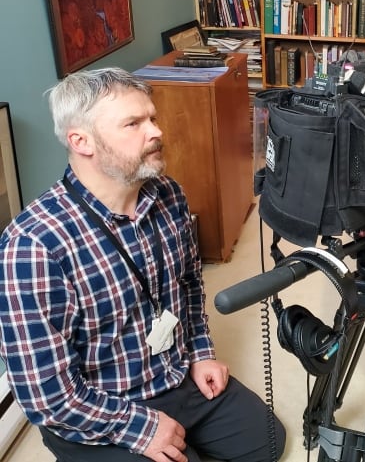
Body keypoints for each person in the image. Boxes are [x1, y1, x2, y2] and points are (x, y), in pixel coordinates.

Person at [0, 68, 285, 462]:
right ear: (81, 141)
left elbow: (187, 286)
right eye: (133, 123)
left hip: (173, 378)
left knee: (268, 442)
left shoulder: (169, 195)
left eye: (151, 118)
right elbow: (46, 395)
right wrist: (139, 427)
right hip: (98, 411)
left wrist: (201, 352)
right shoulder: (32, 244)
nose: (156, 132)